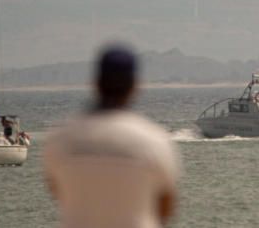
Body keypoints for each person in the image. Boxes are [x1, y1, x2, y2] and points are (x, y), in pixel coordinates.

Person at [43, 45, 180, 228]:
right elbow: (166, 208)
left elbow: (57, 191)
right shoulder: (155, 141)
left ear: (96, 83)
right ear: (133, 86)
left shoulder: (59, 139)